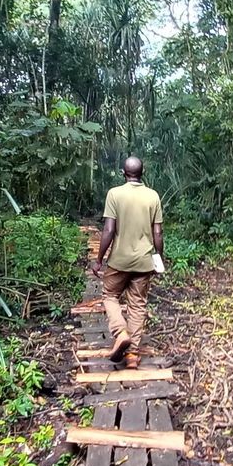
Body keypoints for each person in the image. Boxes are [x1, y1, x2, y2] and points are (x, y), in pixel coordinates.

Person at [91, 156, 164, 369]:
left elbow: (109, 230)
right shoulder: (153, 196)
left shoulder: (115, 194)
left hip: (119, 261)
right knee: (137, 305)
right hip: (144, 262)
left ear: (124, 172)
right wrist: (159, 258)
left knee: (109, 295)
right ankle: (132, 354)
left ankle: (120, 331)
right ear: (143, 173)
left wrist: (99, 260)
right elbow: (158, 232)